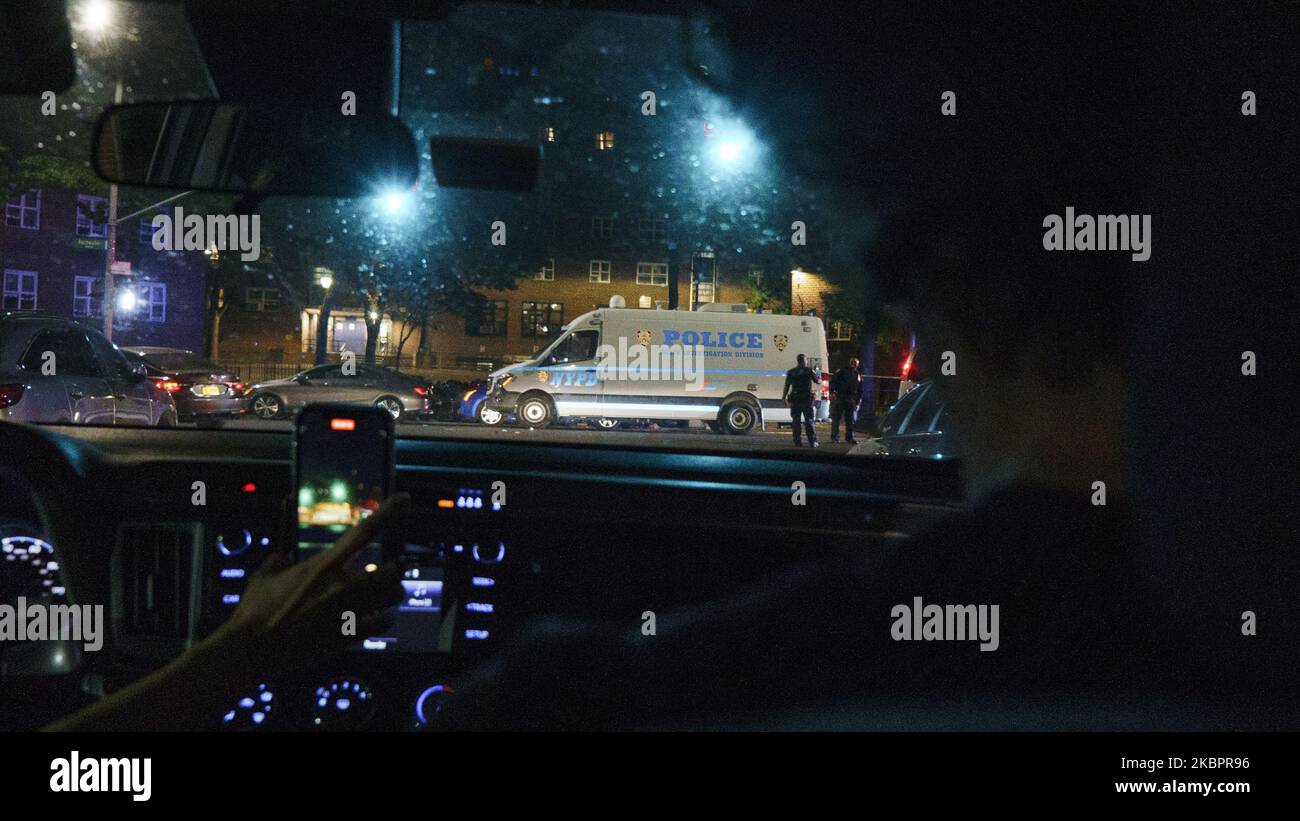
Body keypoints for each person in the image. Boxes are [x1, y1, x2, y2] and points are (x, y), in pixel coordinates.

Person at [781, 353, 820, 447]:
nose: (807, 361)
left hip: (795, 399)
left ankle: (797, 442)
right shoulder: (809, 371)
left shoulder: (791, 372)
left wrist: (784, 397)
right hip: (806, 399)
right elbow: (818, 381)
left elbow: (787, 385)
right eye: (806, 360)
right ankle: (812, 441)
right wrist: (819, 376)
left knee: (796, 421)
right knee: (809, 420)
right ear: (804, 361)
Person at [829, 357, 863, 444]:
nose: (854, 365)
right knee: (838, 419)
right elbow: (833, 381)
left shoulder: (857, 374)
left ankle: (848, 438)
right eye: (854, 363)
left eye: (856, 364)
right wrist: (832, 392)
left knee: (849, 420)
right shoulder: (843, 371)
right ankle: (836, 437)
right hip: (841, 398)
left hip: (849, 399)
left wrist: (858, 401)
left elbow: (860, 389)